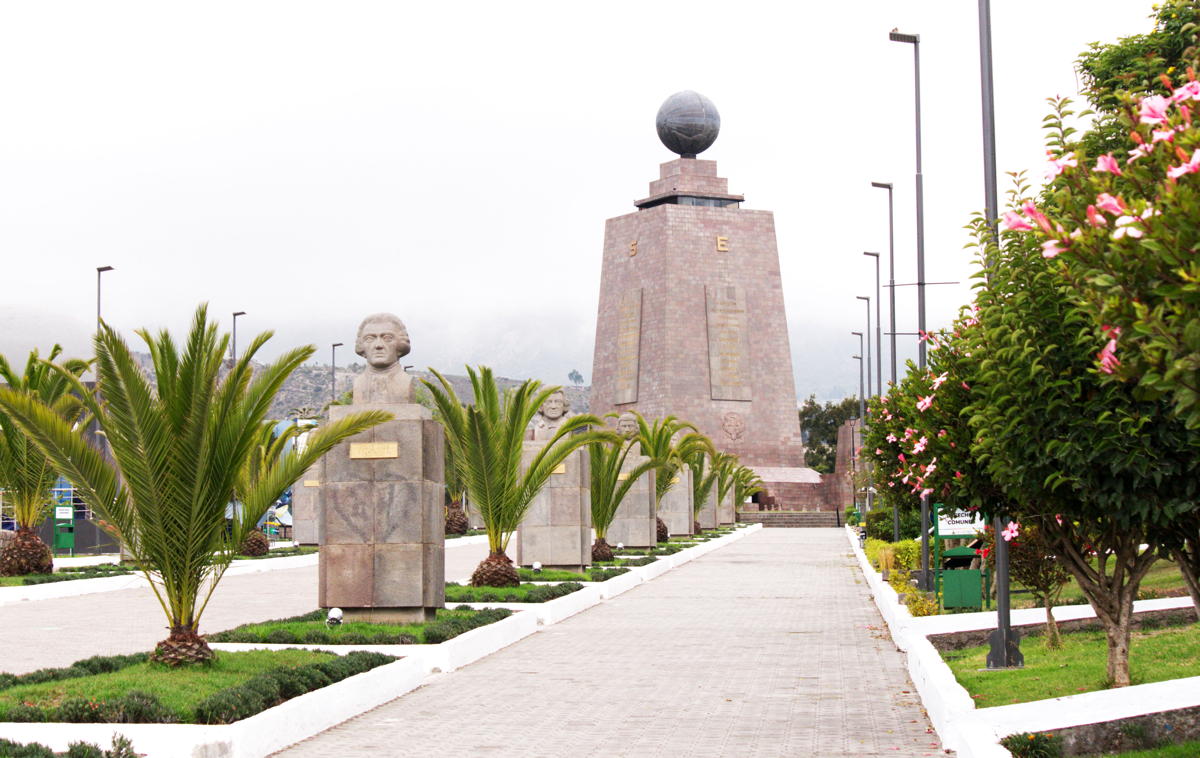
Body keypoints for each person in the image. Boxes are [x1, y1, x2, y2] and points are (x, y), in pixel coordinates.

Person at [351, 312, 415, 404]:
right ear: (362, 346)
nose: (378, 345)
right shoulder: (358, 383)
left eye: (387, 338)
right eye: (370, 339)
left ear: (400, 346)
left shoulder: (406, 382)